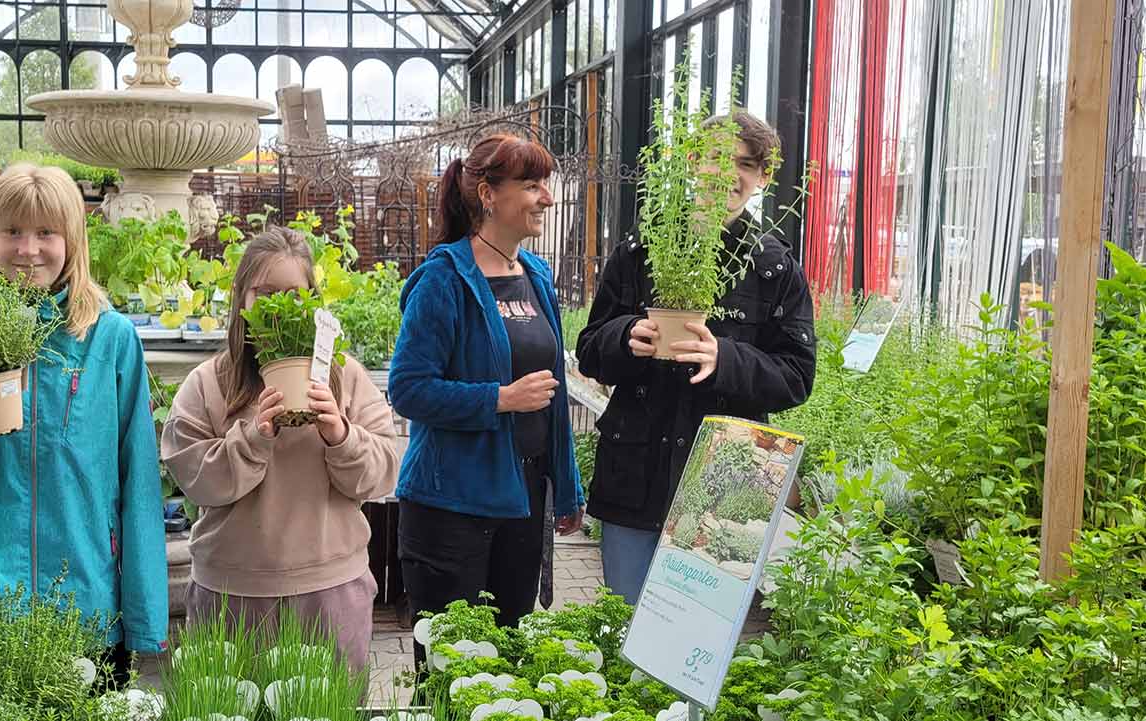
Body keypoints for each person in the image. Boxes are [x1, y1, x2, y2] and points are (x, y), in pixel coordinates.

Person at [0, 163, 168, 683]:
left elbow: (139, 484)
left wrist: (143, 622)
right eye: (12, 231)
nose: (28, 250)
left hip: (85, 605)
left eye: (46, 232)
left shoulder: (109, 339)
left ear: (71, 240)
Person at [575, 110, 816, 603]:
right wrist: (625, 337)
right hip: (635, 476)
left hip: (723, 491)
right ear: (690, 163)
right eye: (716, 159)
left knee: (697, 630)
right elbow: (590, 350)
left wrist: (725, 359)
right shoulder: (642, 252)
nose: (729, 173)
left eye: (745, 164)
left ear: (763, 178)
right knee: (626, 619)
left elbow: (796, 375)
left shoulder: (774, 268)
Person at [160, 227, 401, 673]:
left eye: (293, 295)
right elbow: (194, 479)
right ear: (242, 299)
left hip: (330, 589)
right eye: (265, 293)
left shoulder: (345, 377)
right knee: (229, 703)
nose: (279, 307)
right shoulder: (209, 383)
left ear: (313, 301)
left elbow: (384, 471)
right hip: (231, 593)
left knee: (331, 704)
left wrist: (341, 436)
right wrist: (253, 438)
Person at [389, 134, 585, 655]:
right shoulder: (444, 280)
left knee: (507, 660)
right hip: (453, 507)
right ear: (488, 194)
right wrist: (499, 399)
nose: (547, 198)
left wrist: (566, 487)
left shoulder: (536, 275)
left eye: (545, 184)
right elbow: (407, 389)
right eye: (532, 185)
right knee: (450, 666)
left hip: (523, 501)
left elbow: (554, 394)